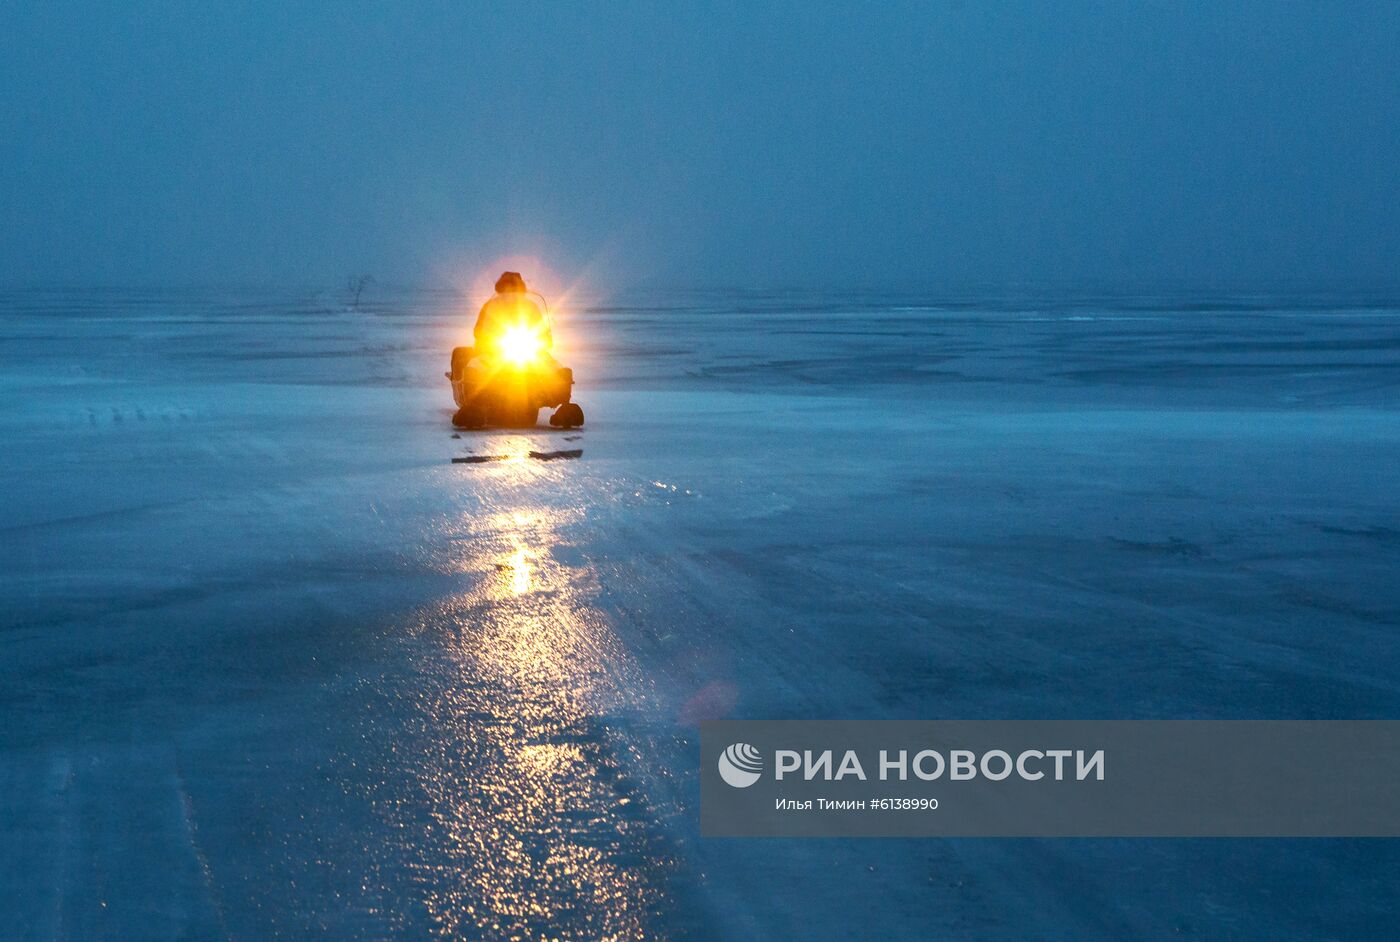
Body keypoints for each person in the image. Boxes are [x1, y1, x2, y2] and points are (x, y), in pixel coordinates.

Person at [473, 271, 552, 360]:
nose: (510, 291)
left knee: (553, 367)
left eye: (514, 287)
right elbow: (479, 331)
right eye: (507, 287)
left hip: (527, 352)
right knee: (474, 368)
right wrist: (487, 340)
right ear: (501, 288)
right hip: (494, 353)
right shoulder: (490, 306)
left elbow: (540, 329)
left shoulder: (531, 307)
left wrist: (544, 340)